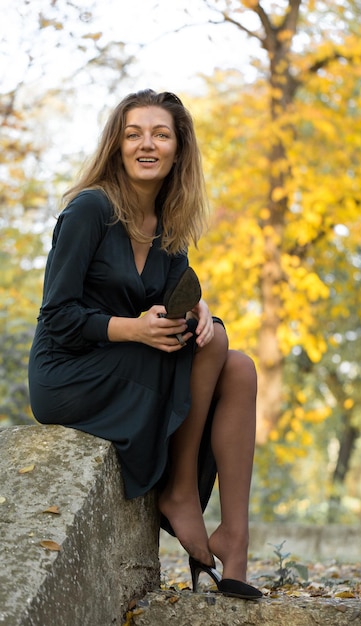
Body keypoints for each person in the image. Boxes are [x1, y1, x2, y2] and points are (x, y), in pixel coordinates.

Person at [28, 89, 262, 600]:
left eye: (160, 134)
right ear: (117, 146)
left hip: (128, 365)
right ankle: (179, 493)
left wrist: (200, 312)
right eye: (133, 134)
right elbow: (57, 318)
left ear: (179, 149)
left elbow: (179, 301)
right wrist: (132, 327)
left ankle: (236, 542)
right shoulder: (89, 211)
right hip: (69, 372)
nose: (146, 144)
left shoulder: (169, 228)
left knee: (237, 363)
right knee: (216, 343)